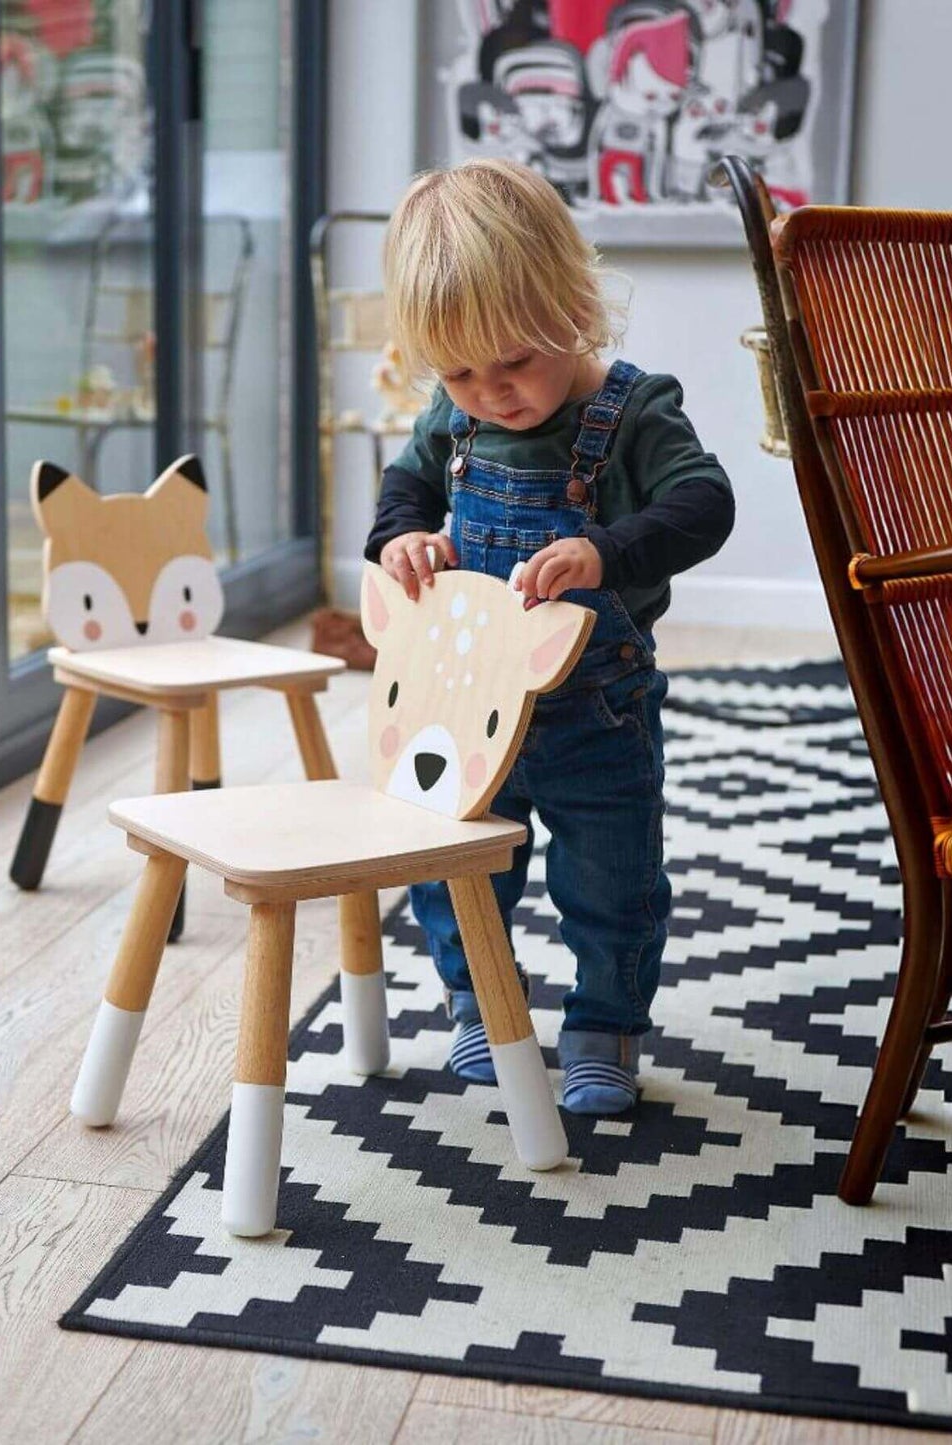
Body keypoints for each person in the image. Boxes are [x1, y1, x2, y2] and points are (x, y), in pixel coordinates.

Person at [366, 158, 734, 1114]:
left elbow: (704, 505)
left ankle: (602, 1024)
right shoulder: (456, 414)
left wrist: (606, 549)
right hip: (463, 707)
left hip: (593, 713)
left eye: (515, 364)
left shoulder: (632, 409)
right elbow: (404, 487)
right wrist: (400, 536)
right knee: (453, 872)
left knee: (610, 878)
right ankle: (479, 1006)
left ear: (573, 308)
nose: (489, 394)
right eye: (457, 372)